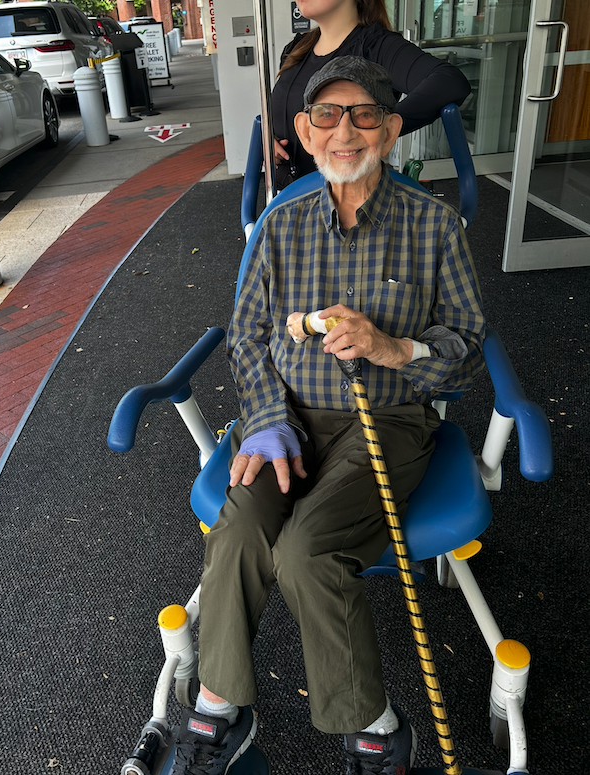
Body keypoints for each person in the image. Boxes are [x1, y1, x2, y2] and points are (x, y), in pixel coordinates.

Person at [172, 56, 485, 775]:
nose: (345, 130)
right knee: (241, 528)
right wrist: (264, 417)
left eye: (364, 114)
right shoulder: (279, 226)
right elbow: (247, 334)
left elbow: (465, 346)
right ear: (305, 137)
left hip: (390, 419)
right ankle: (219, 709)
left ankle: (375, 727)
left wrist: (393, 346)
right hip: (288, 418)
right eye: (326, 116)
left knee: (308, 551)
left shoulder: (433, 224)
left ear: (393, 129)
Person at [272, 0, 471, 186]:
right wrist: (270, 141)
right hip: (288, 197)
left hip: (345, 200)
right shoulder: (297, 48)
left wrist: (381, 126)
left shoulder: (378, 46)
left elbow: (449, 82)